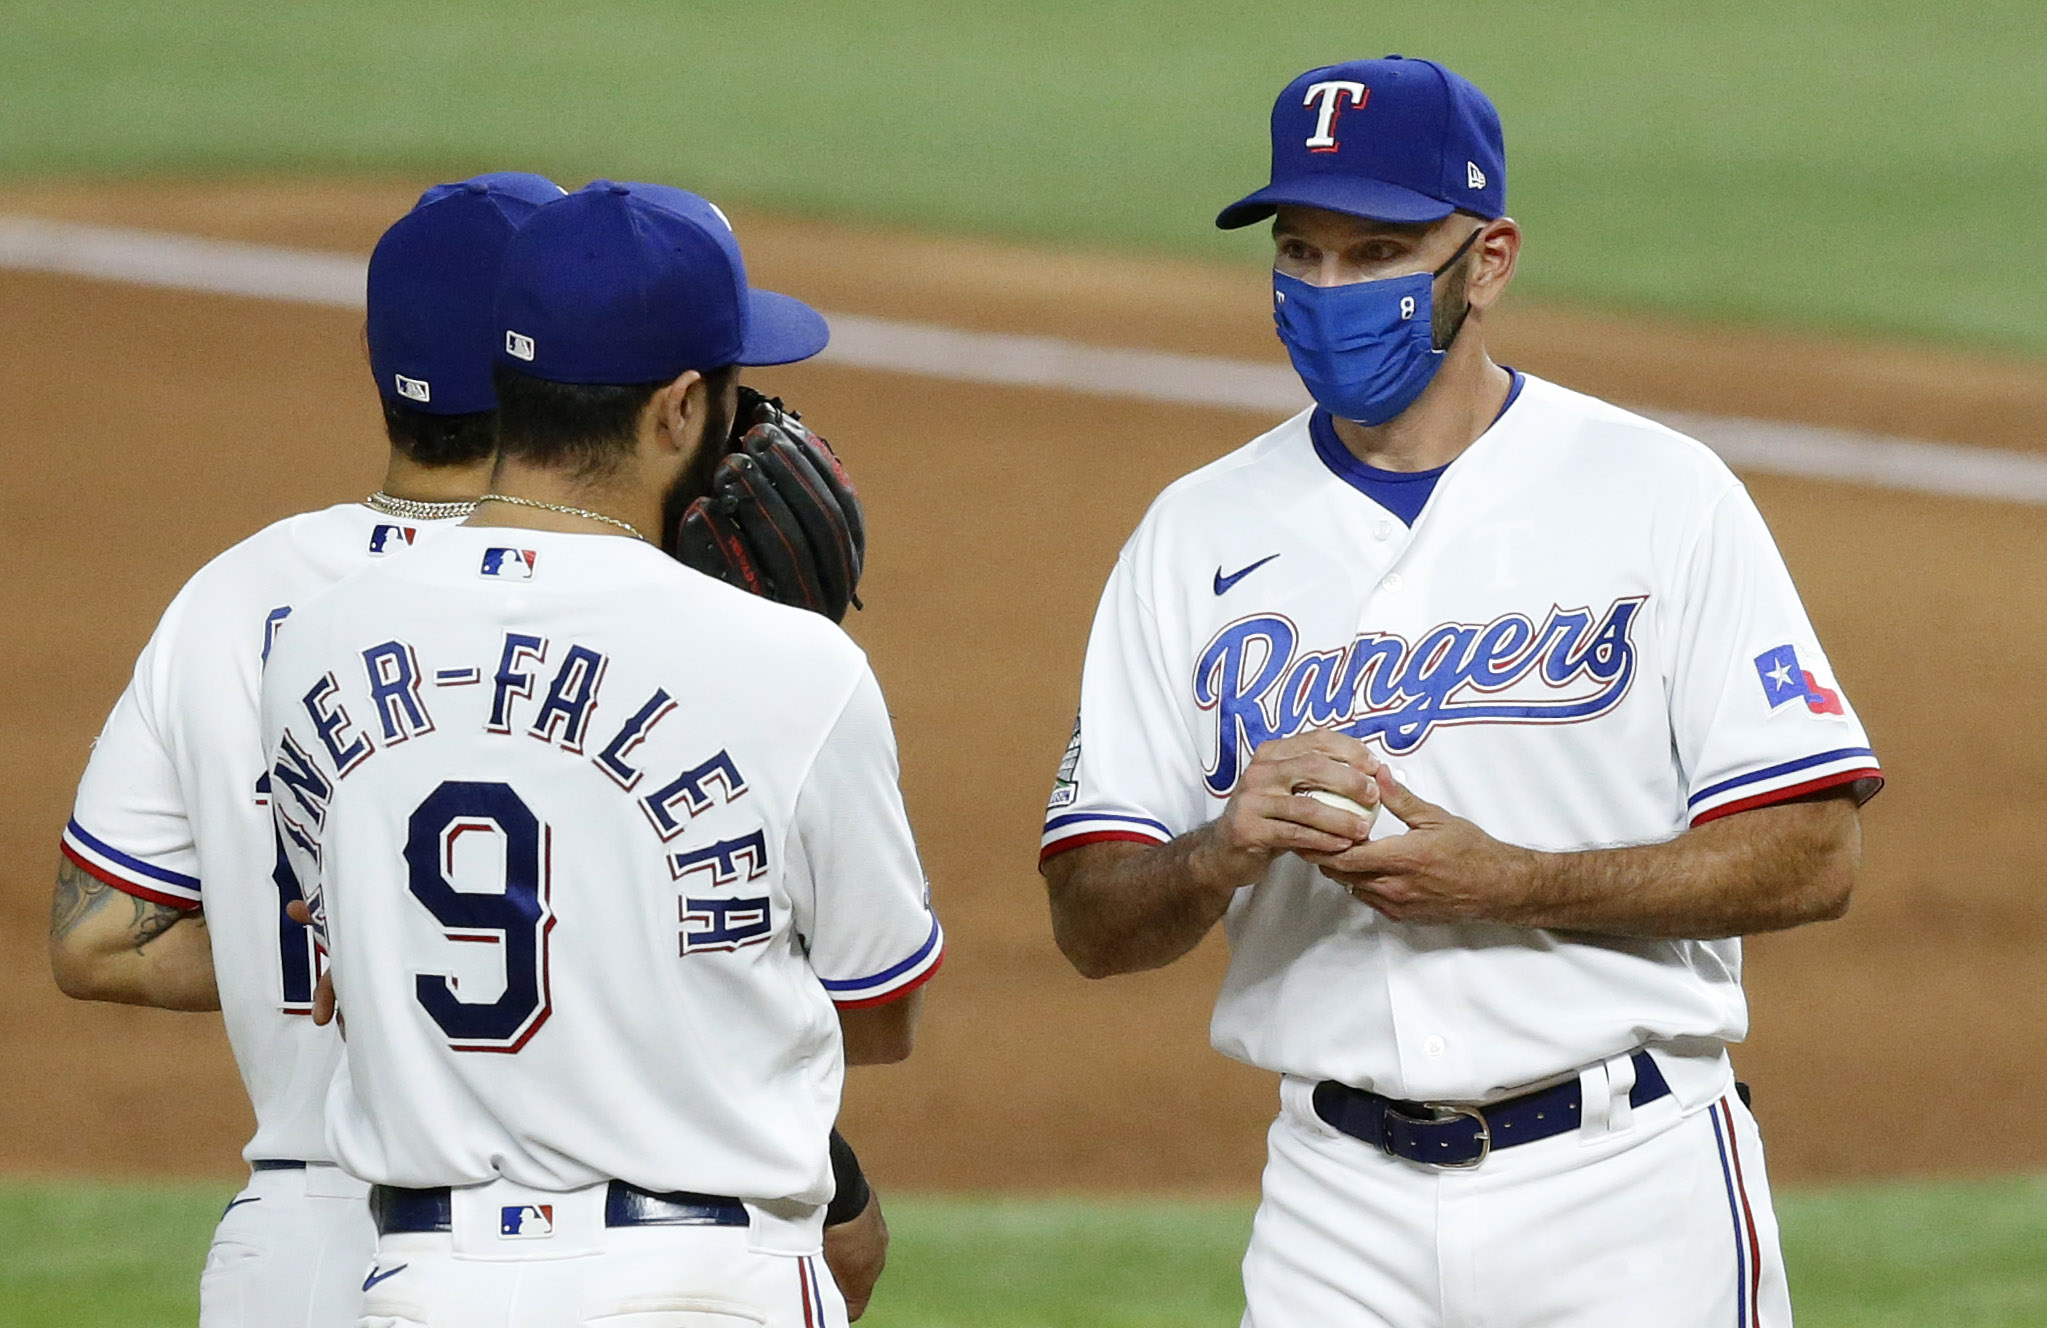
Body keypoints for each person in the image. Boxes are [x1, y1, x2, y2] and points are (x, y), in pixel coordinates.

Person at [1040, 56, 1880, 1327]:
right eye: (1301, 252)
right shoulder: (1188, 533)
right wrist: (1218, 850)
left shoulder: (1660, 492)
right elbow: (1093, 920)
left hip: (1627, 1187)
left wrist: (1517, 880)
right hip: (1333, 1209)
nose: (1327, 291)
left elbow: (1812, 852)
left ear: (1487, 260)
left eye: (1375, 252)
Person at [261, 179, 941, 1328]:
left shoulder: (314, 642)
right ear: (678, 406)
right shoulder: (792, 667)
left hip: (424, 1283)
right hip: (700, 1285)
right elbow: (875, 1011)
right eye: (734, 389)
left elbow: (348, 974)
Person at [51, 171, 565, 1328]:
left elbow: (95, 940)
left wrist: (342, 946)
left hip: (289, 1254)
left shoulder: (228, 596)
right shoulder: (604, 603)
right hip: (544, 1242)